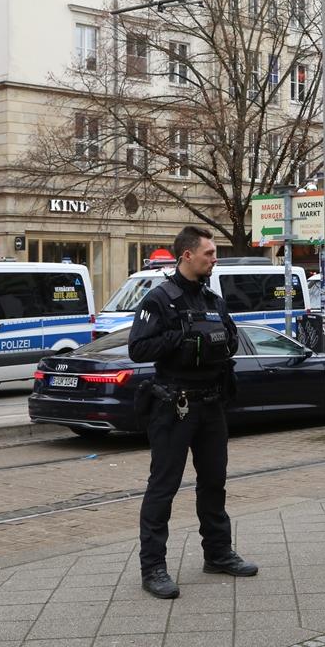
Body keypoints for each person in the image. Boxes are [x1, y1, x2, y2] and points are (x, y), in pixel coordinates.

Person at [129, 225, 257, 599]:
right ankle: (153, 568)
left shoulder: (213, 300)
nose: (214, 259)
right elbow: (139, 348)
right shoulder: (159, 300)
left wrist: (214, 340)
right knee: (163, 489)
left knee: (214, 483)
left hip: (212, 404)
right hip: (174, 406)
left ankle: (217, 554)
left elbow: (233, 339)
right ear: (187, 255)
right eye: (209, 253)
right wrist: (185, 339)